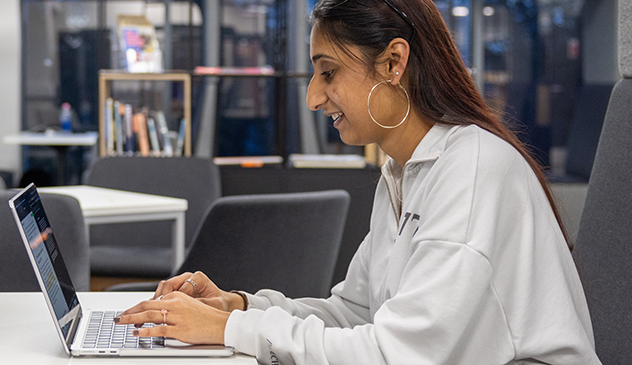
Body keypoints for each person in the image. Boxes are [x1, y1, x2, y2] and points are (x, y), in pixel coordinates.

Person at [116, 0, 601, 363]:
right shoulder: (402, 171)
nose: (312, 97)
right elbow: (354, 314)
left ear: (393, 64)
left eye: (328, 72)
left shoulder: (472, 170)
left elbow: (393, 354)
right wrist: (239, 305)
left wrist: (230, 329)